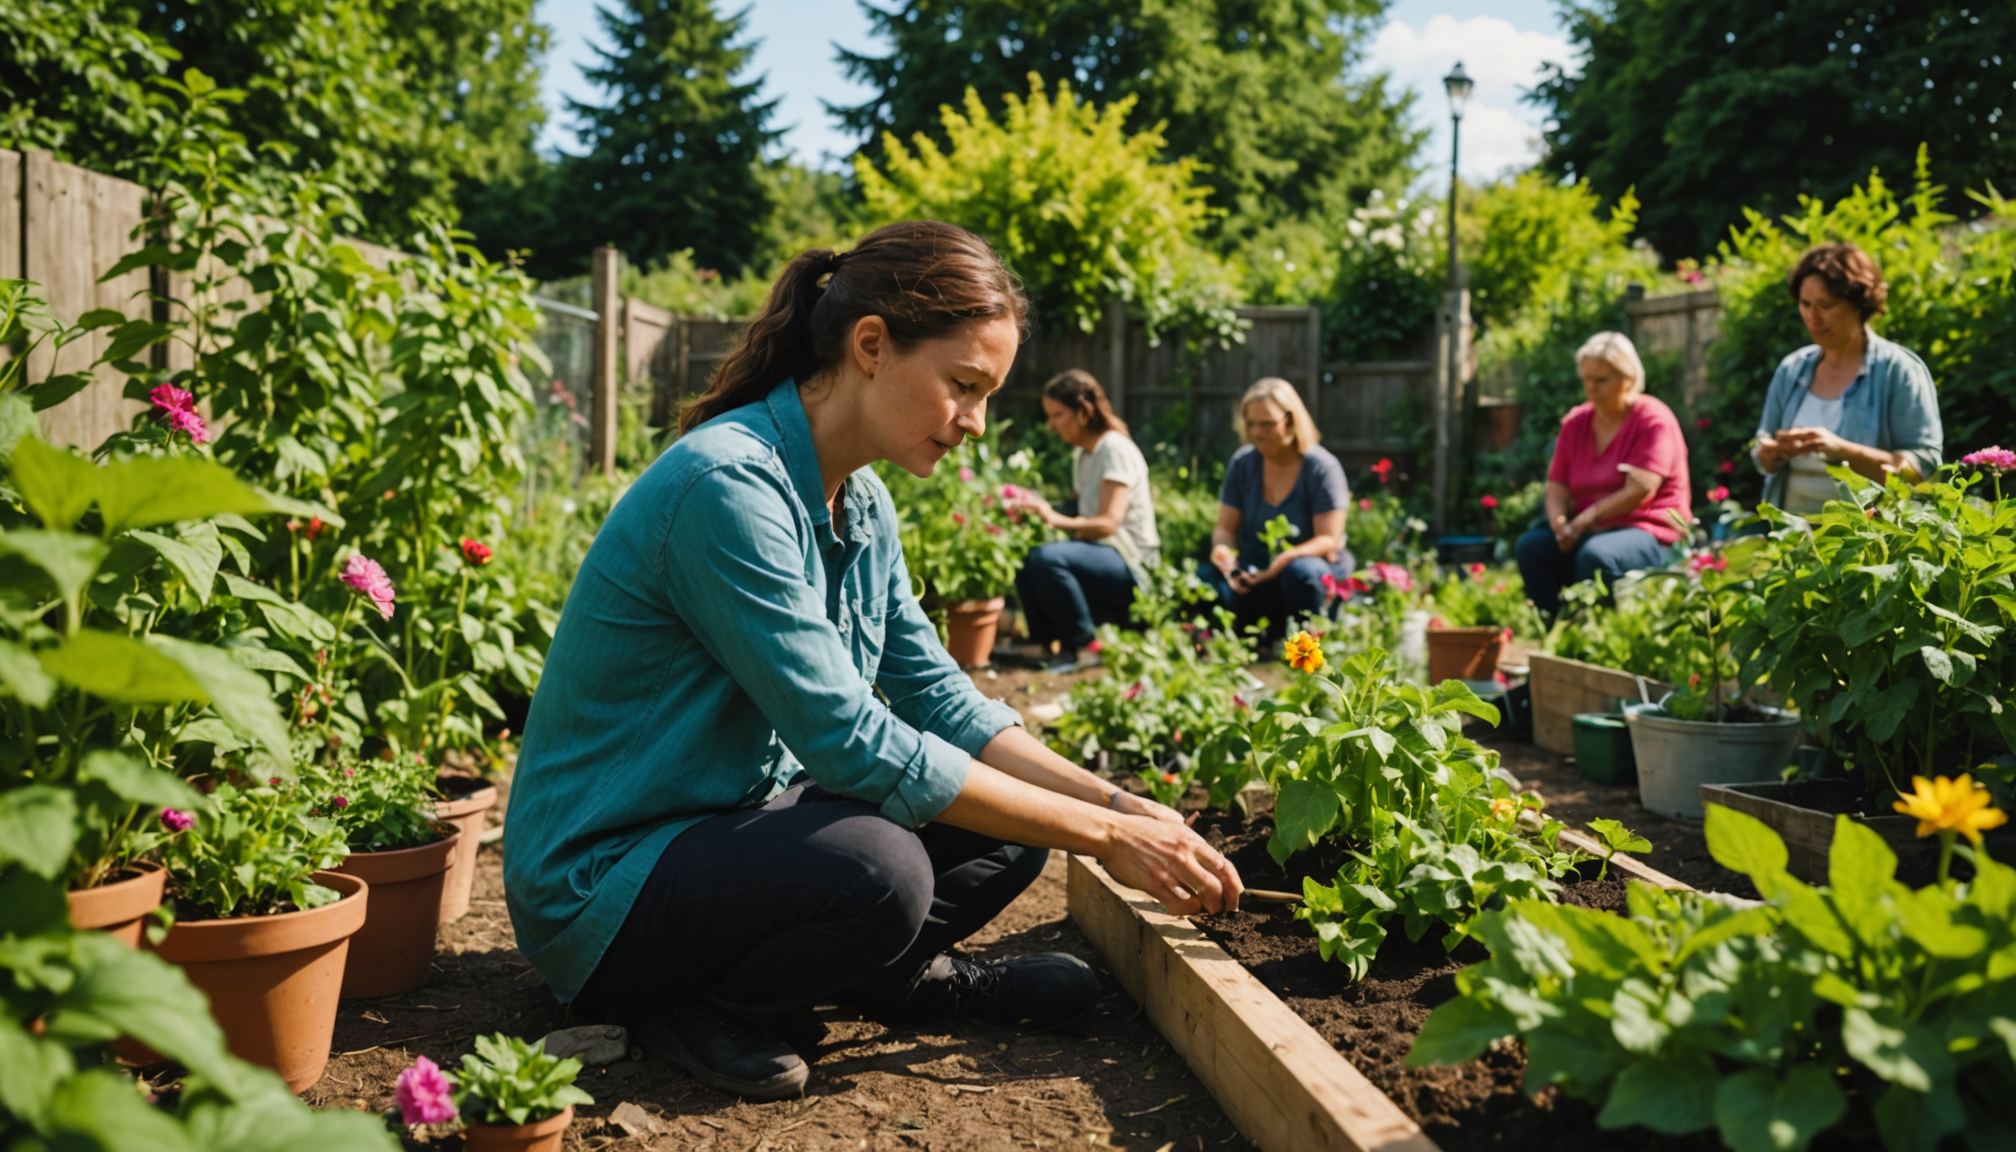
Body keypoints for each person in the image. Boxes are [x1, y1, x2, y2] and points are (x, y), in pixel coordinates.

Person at [502, 222, 1241, 1105]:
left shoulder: (863, 501)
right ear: (871, 346)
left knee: (1012, 825)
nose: (973, 422)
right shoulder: (727, 487)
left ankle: (884, 978)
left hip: (726, 831)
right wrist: (1106, 839)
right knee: (880, 869)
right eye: (962, 386)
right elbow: (851, 743)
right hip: (608, 888)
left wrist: (1119, 806)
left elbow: (939, 697)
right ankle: (698, 1006)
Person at [1752, 243, 1942, 513]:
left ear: (1858, 305)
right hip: (1791, 535)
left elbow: (1921, 469)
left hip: (1869, 540)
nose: (1812, 317)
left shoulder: (1898, 370)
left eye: (1825, 305)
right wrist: (1769, 454)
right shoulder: (1792, 369)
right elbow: (1762, 449)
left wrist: (1841, 450)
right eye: (1805, 304)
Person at [1515, 332, 1691, 614]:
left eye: (1601, 380)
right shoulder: (1576, 423)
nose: (1591, 388)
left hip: (1648, 532)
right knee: (1532, 547)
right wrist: (1560, 524)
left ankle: (1599, 635)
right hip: (1588, 530)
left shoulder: (1652, 419)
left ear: (1627, 378)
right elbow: (1556, 486)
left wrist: (1587, 518)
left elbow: (1640, 490)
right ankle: (1553, 628)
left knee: (1596, 556)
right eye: (1586, 379)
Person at [1005, 370, 1160, 672]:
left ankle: (1084, 646)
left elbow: (1107, 524)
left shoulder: (1115, 449)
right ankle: (1047, 642)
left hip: (1133, 563)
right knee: (1027, 555)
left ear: (1084, 412)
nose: (1051, 425)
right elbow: (1076, 508)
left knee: (1048, 558)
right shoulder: (1083, 455)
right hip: (1101, 555)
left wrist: (1053, 518)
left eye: (1058, 415)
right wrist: (1037, 507)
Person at [1202, 377, 1355, 641]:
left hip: (1304, 570)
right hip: (1256, 570)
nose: (1257, 432)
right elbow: (1225, 528)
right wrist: (1224, 554)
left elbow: (1328, 539)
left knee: (1302, 573)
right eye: (1250, 424)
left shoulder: (1321, 468)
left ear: (1291, 422)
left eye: (1267, 424)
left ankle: (1309, 645)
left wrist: (1283, 560)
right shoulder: (1243, 465)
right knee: (1204, 579)